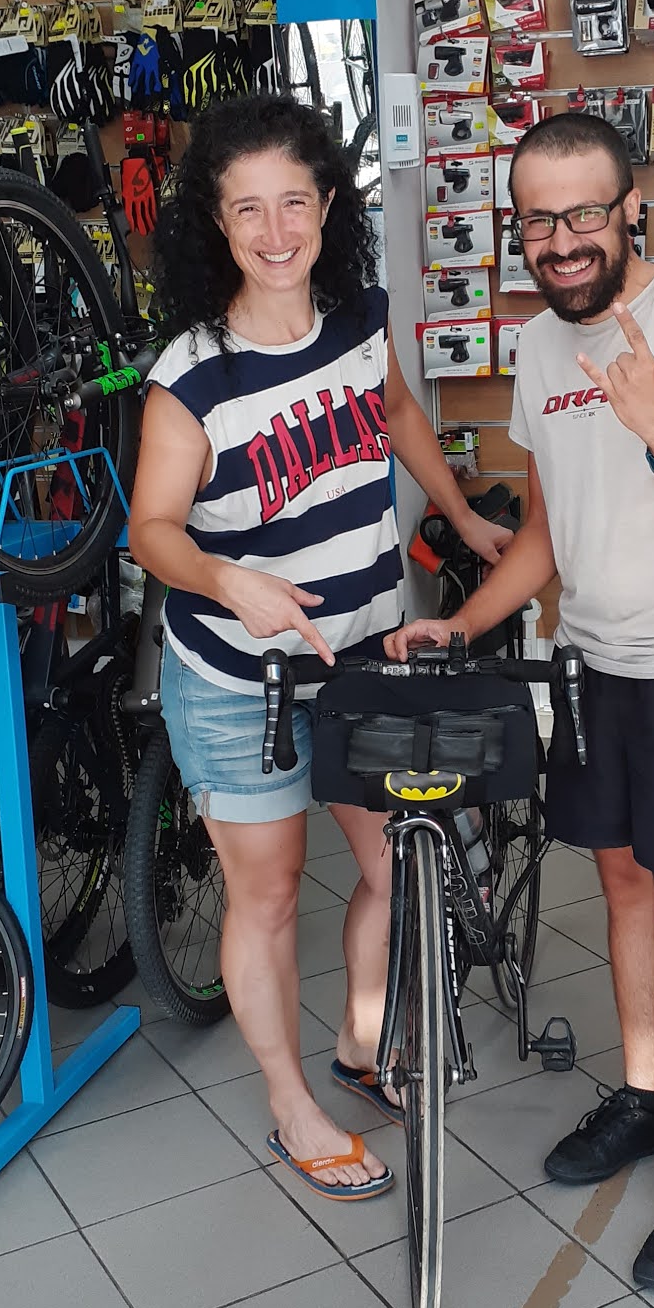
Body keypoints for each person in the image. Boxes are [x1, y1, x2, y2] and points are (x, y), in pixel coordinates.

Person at [389, 112, 654, 1289]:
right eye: (537, 220)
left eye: (583, 215)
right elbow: (548, 534)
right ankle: (648, 1096)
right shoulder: (538, 347)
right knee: (622, 884)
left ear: (630, 208)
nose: (560, 241)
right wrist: (464, 622)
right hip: (593, 665)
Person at [129, 93, 511, 1200]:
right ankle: (292, 1106)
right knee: (270, 895)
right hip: (237, 681)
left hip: (361, 653)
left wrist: (460, 513)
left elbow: (398, 414)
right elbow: (152, 529)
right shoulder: (189, 377)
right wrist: (226, 577)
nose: (275, 229)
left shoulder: (355, 317)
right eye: (247, 208)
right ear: (215, 222)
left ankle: (359, 1042)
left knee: (397, 863)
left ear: (329, 205)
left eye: (294, 201)